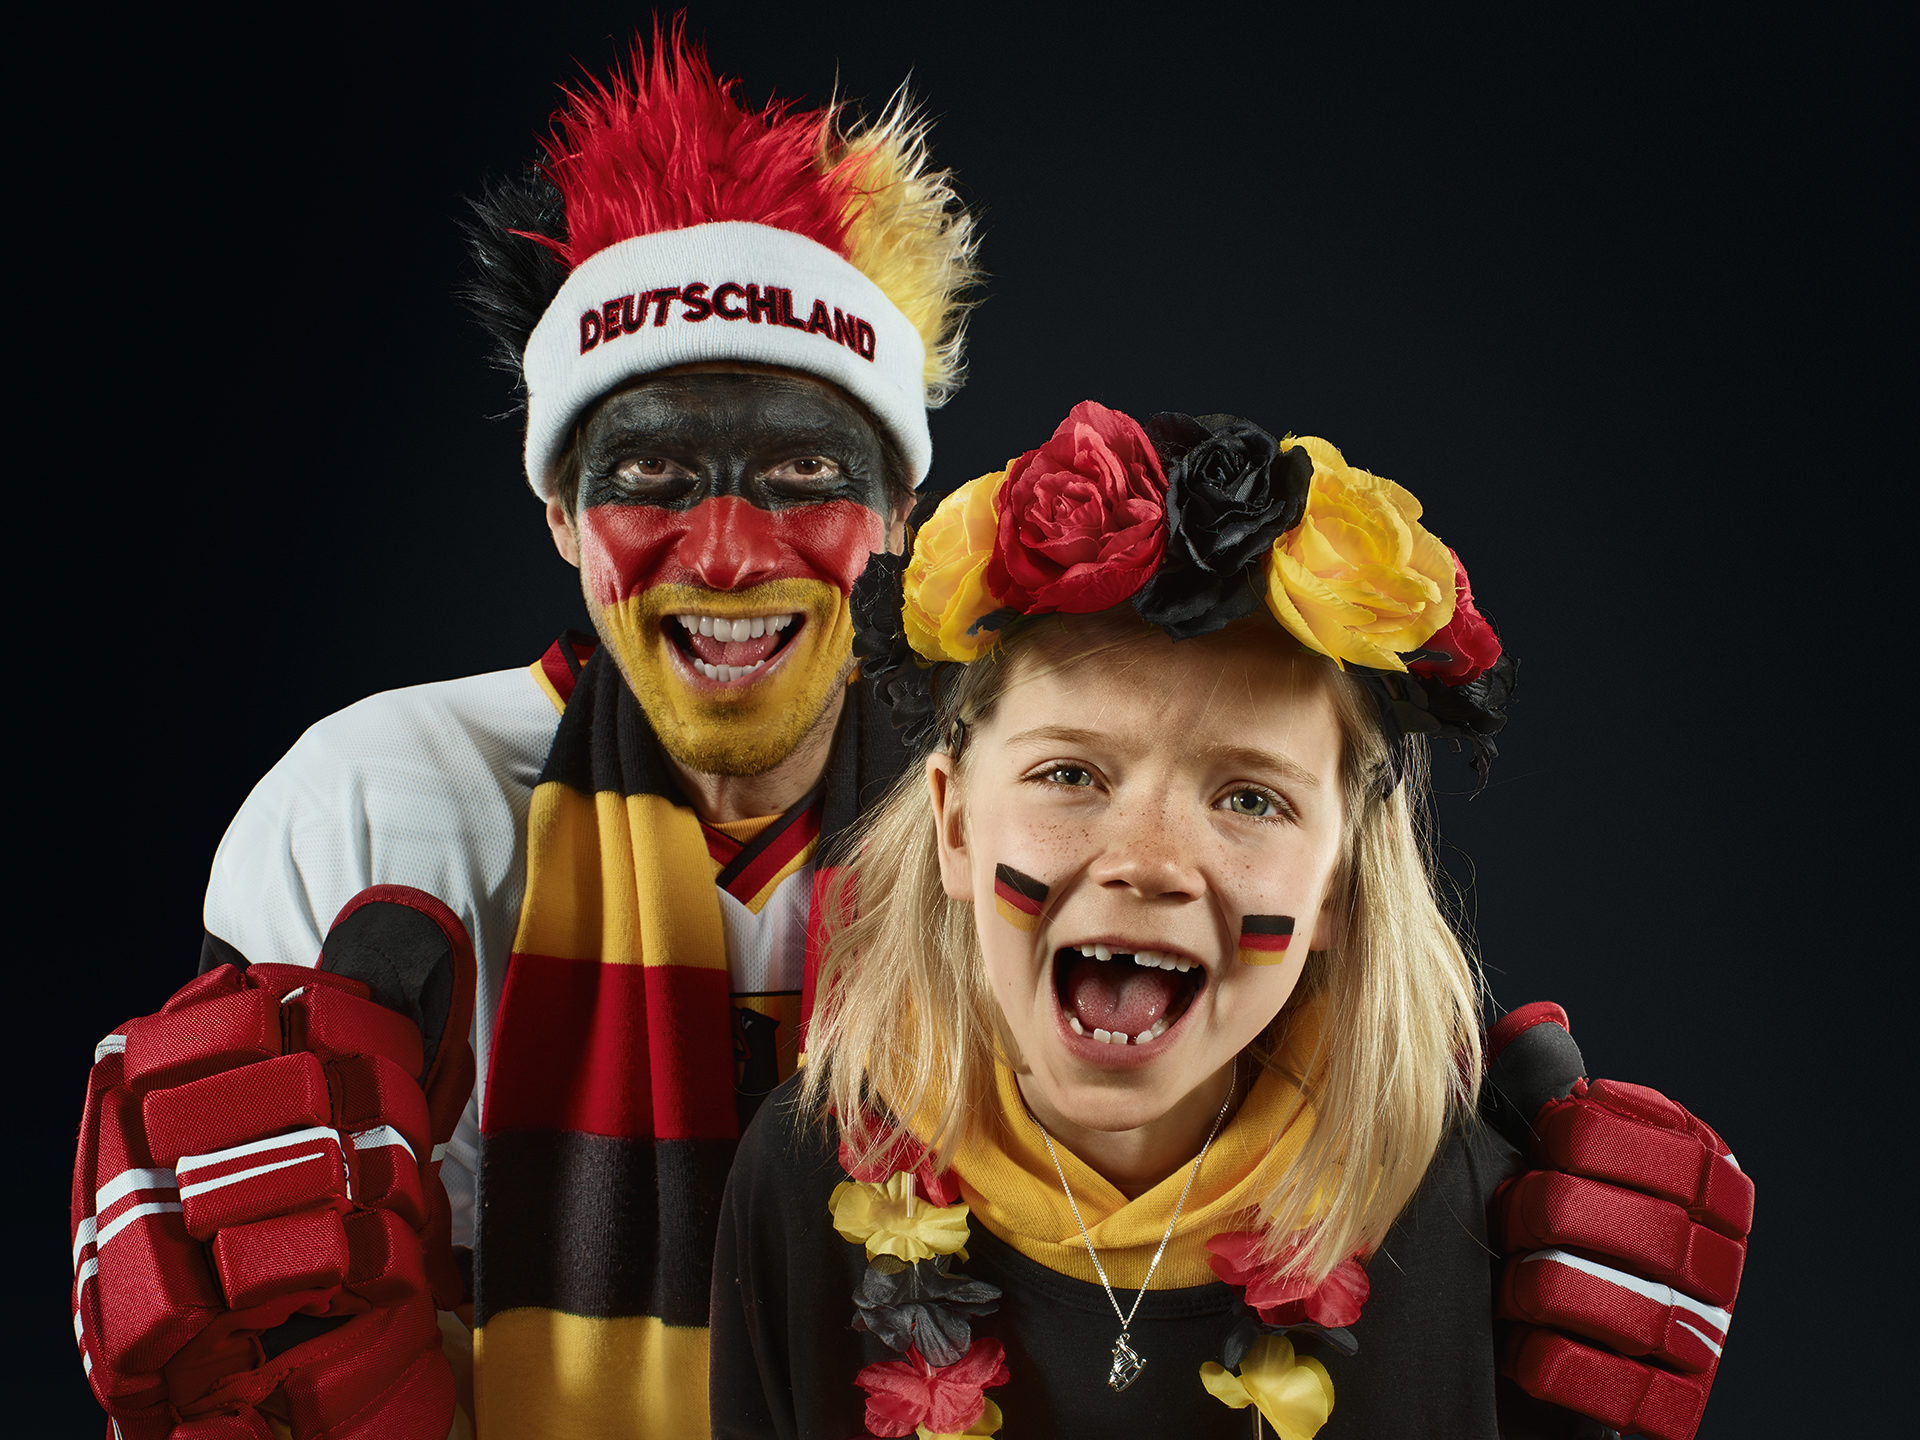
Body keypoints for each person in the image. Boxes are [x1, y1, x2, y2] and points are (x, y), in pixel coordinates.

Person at [68, 29, 978, 1439]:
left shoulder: (1018, 812)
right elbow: (250, 1339)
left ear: (895, 511)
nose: (728, 552)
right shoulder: (378, 807)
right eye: (652, 475)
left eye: (805, 472)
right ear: (559, 514)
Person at [709, 402, 1753, 1439]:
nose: (1148, 864)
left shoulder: (1473, 1229)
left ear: (1340, 885)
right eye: (1070, 773)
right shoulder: (805, 1182)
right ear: (954, 827)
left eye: (1250, 799)